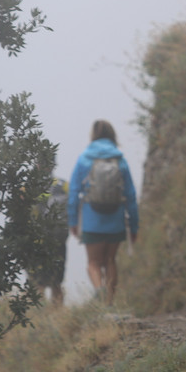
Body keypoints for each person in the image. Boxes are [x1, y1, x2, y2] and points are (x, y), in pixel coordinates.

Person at [67, 120, 139, 305]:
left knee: (93, 263)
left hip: (92, 220)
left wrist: (73, 221)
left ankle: (99, 291)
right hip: (116, 219)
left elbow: (74, 192)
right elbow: (130, 195)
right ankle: (108, 302)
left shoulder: (84, 159)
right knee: (110, 261)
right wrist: (134, 226)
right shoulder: (120, 160)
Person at [26, 177, 68, 306]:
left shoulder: (28, 185)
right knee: (56, 282)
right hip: (58, 239)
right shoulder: (63, 185)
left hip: (35, 240)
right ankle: (58, 316)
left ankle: (37, 316)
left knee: (38, 282)